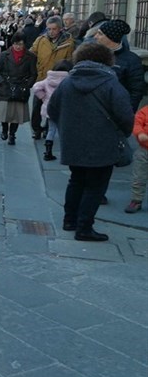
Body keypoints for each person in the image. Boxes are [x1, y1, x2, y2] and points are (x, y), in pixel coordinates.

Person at [47, 43, 134, 241]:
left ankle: (70, 220)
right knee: (96, 186)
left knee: (76, 180)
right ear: (107, 60)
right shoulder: (111, 83)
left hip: (73, 142)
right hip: (103, 143)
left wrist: (68, 128)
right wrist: (122, 133)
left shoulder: (67, 82)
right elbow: (125, 115)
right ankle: (84, 227)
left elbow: (52, 110)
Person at [30, 16, 74, 139]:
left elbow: (70, 61)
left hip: (58, 81)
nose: (51, 31)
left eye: (54, 29)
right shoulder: (41, 40)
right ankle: (36, 129)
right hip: (42, 77)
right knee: (36, 106)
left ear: (60, 29)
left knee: (53, 107)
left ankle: (48, 129)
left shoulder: (68, 43)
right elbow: (32, 54)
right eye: (49, 29)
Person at [0, 32, 37, 145]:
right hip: (6, 86)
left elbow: (33, 74)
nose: (18, 46)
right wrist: (1, 82)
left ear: (24, 44)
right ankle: (4, 129)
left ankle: (12, 134)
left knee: (17, 114)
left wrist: (27, 85)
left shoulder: (31, 57)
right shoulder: (4, 55)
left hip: (21, 87)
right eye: (16, 44)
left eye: (20, 44)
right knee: (4, 113)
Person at [92, 19, 145, 112]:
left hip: (116, 112)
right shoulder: (93, 54)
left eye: (100, 34)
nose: (95, 36)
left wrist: (126, 113)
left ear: (111, 37)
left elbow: (136, 91)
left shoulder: (131, 60)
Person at [31, 59, 72, 161]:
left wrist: (43, 97)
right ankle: (66, 153)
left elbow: (36, 87)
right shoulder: (69, 80)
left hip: (51, 109)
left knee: (51, 130)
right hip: (64, 110)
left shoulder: (48, 79)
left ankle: (48, 152)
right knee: (63, 131)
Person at [126, 104, 148, 214]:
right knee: (139, 176)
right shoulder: (145, 111)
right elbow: (136, 123)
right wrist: (140, 133)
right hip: (144, 150)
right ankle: (136, 200)